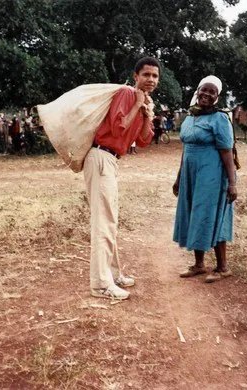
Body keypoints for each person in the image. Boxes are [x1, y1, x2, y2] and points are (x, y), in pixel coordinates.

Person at [84, 56, 160, 300]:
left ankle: (113, 275)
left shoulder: (142, 101)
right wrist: (137, 104)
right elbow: (118, 128)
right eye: (146, 74)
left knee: (111, 220)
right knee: (103, 222)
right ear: (136, 76)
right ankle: (100, 285)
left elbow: (145, 141)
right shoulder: (127, 94)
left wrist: (147, 113)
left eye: (155, 76)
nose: (151, 79)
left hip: (111, 160)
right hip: (101, 156)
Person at [173, 75, 237, 283]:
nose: (207, 95)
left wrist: (232, 183)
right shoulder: (190, 117)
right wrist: (179, 176)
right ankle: (199, 264)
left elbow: (227, 152)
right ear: (197, 91)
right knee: (193, 212)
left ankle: (222, 267)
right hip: (191, 175)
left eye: (212, 92)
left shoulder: (220, 119)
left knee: (212, 213)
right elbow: (186, 149)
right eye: (204, 90)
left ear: (217, 97)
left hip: (212, 174)